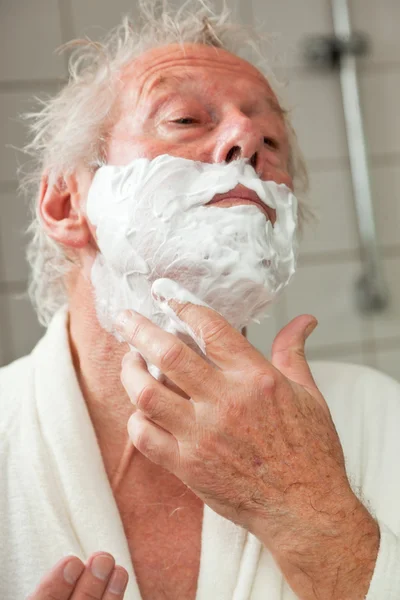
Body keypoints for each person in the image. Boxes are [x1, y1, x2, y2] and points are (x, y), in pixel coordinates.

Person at [1, 2, 400, 599]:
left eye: (272, 139)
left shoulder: (376, 415)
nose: (248, 139)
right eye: (186, 120)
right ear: (65, 204)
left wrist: (310, 511)